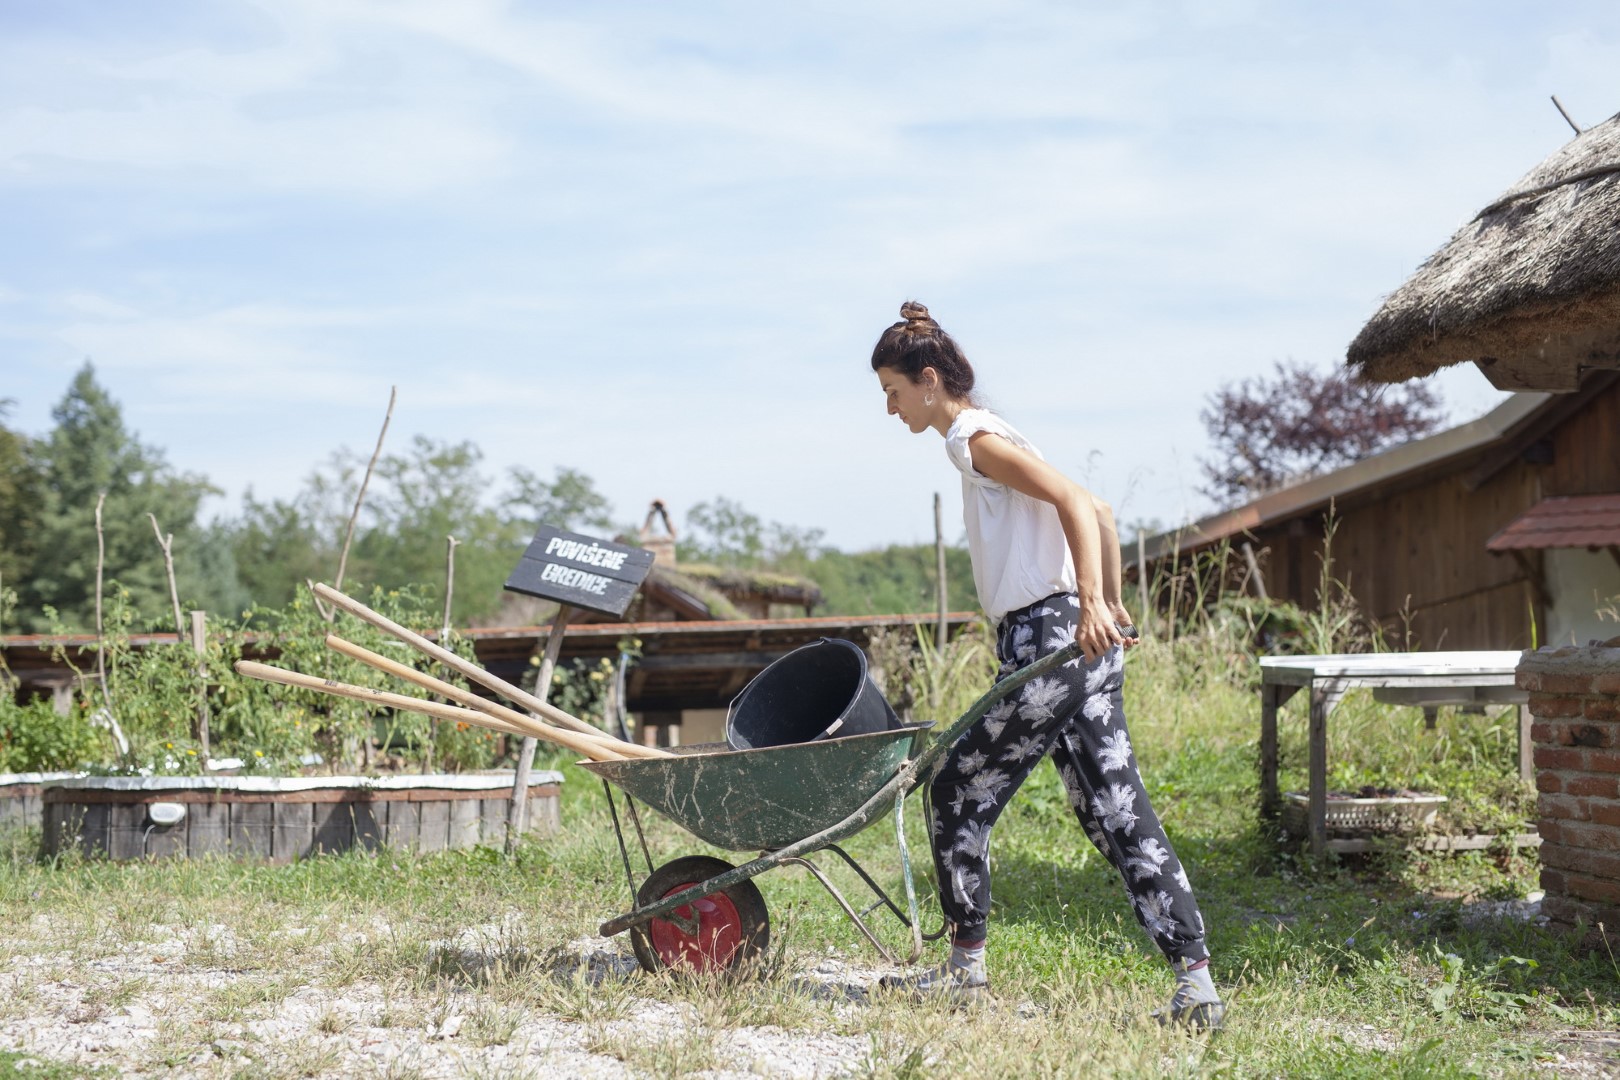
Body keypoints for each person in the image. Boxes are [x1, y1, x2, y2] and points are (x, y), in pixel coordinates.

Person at [871, 301, 1223, 1028]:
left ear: (929, 380)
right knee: (1114, 807)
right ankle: (1197, 984)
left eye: (893, 391)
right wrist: (1111, 606)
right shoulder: (994, 431)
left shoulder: (969, 437)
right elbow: (1101, 510)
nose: (890, 408)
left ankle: (964, 971)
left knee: (956, 789)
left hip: (1048, 640)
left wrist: (1094, 602)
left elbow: (1070, 499)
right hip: (1078, 641)